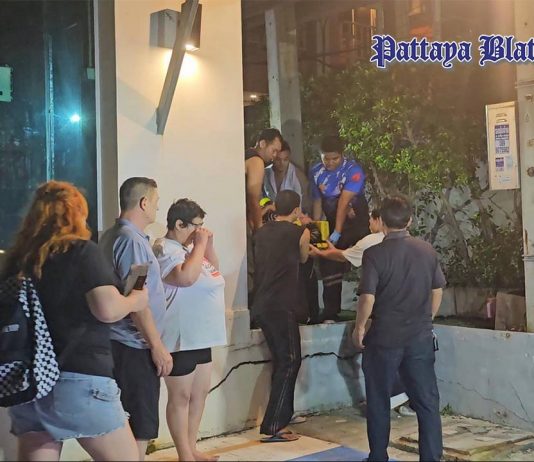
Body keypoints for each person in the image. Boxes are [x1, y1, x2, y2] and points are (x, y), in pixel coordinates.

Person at [2, 181, 148, 461]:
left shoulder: (17, 260)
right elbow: (107, 309)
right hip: (80, 378)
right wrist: (135, 300)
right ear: (77, 214)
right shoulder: (81, 251)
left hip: (29, 383)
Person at [353, 195, 445, 462]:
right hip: (419, 337)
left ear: (381, 222)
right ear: (410, 220)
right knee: (427, 402)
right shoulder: (427, 250)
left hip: (384, 338)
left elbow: (367, 297)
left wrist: (360, 328)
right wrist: (427, 319)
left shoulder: (374, 254)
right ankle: (431, 457)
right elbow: (437, 290)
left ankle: (378, 456)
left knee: (379, 399)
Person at [310, 208, 414, 414]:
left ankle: (390, 399)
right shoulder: (413, 245)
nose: (368, 224)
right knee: (403, 355)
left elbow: (344, 258)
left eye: (370, 220)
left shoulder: (371, 242)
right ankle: (404, 399)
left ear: (380, 220)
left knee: (375, 355)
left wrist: (320, 252)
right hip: (408, 308)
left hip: (383, 308)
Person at [99, 177, 173, 461]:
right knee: (140, 426)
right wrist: (157, 346)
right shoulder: (130, 241)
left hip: (120, 343)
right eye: (155, 202)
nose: (157, 208)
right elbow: (137, 300)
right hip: (133, 345)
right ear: (143, 203)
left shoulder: (112, 235)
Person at [153, 199, 226, 462]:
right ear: (179, 224)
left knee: (199, 394)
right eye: (196, 225)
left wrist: (208, 245)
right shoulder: (164, 248)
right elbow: (185, 278)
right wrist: (201, 246)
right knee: (181, 396)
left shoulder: (191, 250)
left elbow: (214, 271)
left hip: (202, 334)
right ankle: (184, 454)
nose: (199, 231)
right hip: (180, 336)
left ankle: (192, 447)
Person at [251, 190, 310, 443]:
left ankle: (283, 413)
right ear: (296, 210)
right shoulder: (300, 232)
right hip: (281, 304)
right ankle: (275, 424)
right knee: (290, 360)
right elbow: (304, 258)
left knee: (282, 360)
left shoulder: (260, 232)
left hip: (261, 303)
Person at [309, 135, 369, 323]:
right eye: (326, 158)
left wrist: (337, 232)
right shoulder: (315, 171)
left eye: (334, 158)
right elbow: (317, 200)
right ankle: (330, 312)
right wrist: (316, 229)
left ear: (342, 155)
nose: (330, 162)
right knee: (328, 260)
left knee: (369, 259)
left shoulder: (353, 170)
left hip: (357, 223)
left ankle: (372, 308)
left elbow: (344, 202)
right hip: (333, 220)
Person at [245, 128, 283, 304]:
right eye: (273, 150)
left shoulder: (244, 155)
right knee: (251, 270)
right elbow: (253, 197)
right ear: (262, 143)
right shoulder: (256, 161)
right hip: (244, 224)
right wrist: (258, 227)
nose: (274, 156)